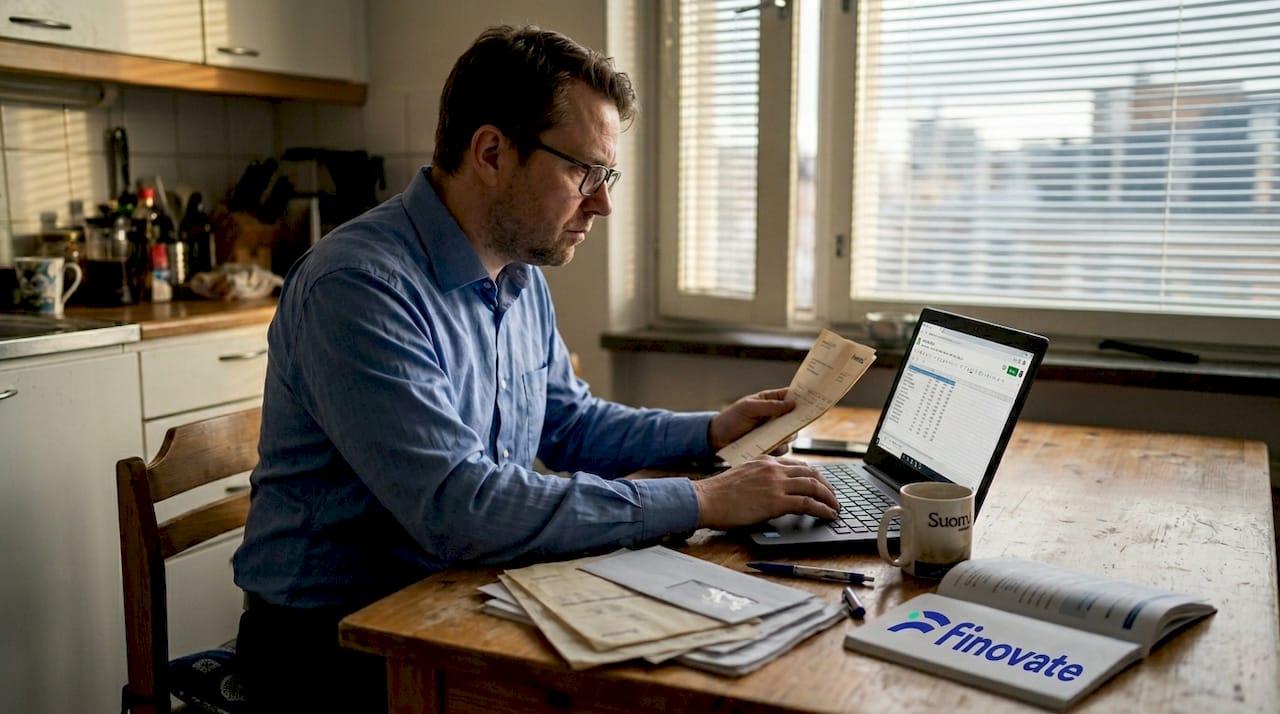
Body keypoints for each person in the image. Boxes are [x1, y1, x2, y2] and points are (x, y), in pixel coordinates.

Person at [231, 24, 839, 712]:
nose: (602, 203)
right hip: (330, 645)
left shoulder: (518, 275)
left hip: (459, 594)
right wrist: (703, 501)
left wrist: (711, 431)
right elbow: (460, 509)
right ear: (491, 152)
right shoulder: (358, 285)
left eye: (606, 176)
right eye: (584, 172)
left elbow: (569, 422)